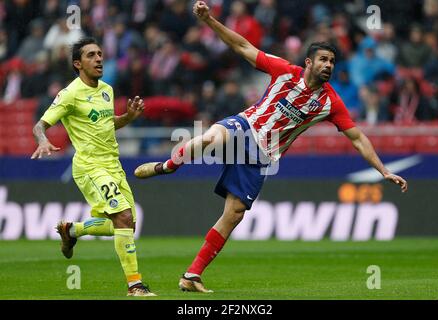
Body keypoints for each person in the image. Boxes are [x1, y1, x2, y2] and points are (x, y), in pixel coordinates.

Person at [134, 1, 408, 293]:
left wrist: (383, 170)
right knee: (210, 138)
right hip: (245, 127)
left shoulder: (330, 102)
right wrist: (209, 21)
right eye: (323, 60)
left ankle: (192, 276)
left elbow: (357, 138)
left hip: (263, 156)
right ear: (309, 62)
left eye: (332, 62)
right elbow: (242, 46)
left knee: (234, 215)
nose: (328, 65)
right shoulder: (284, 72)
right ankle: (168, 166)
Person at [31, 37, 155, 297]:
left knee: (126, 225)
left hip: (113, 164)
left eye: (99, 54)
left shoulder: (107, 90)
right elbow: (40, 125)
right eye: (91, 55)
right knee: (122, 216)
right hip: (89, 165)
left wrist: (129, 117)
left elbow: (106, 125)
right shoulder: (69, 94)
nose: (99, 59)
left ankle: (72, 230)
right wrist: (43, 141)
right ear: (78, 63)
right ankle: (135, 285)